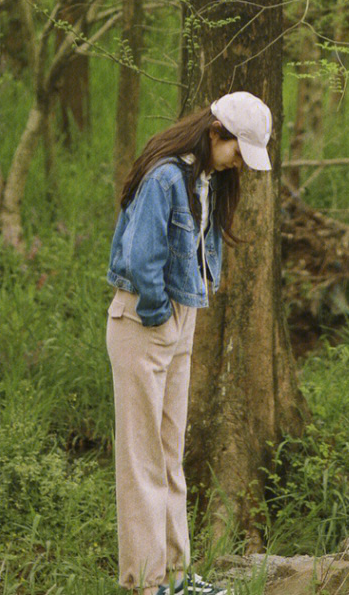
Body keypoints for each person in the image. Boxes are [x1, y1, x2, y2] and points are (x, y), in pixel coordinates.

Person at [105, 91, 272, 595]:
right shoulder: (165, 176)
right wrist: (161, 318)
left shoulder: (204, 179)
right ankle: (145, 583)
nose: (237, 164)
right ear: (215, 132)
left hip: (181, 316)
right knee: (141, 463)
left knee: (169, 453)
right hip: (143, 318)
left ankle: (176, 577)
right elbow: (138, 259)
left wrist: (183, 315)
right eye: (237, 151)